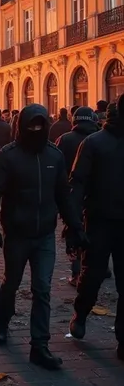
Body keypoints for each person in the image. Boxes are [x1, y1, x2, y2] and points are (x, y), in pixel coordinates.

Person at [0, 103, 87, 370]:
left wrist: (75, 227)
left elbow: (63, 195)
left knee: (42, 289)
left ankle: (39, 345)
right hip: (17, 234)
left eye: (41, 125)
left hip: (44, 236)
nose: (37, 129)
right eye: (32, 125)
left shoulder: (54, 156)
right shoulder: (7, 156)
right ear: (23, 126)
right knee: (11, 283)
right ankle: (2, 321)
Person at [68, 97, 124, 359]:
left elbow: (77, 184)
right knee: (92, 276)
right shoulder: (93, 143)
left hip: (108, 220)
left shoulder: (93, 142)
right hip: (100, 219)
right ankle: (81, 314)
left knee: (104, 277)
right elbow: (78, 183)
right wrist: (74, 222)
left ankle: (118, 336)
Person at [55, 107, 99, 287]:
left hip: (71, 194)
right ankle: (98, 267)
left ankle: (76, 272)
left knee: (74, 229)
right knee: (96, 231)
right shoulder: (100, 140)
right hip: (96, 195)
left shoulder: (64, 140)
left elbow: (56, 166)